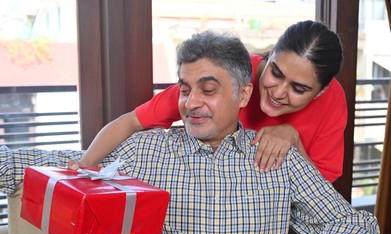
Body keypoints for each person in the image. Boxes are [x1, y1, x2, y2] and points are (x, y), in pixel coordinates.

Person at [0, 30, 382, 234]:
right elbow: (64, 162)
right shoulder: (147, 149)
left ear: (242, 94)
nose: (191, 102)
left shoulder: (280, 157)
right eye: (185, 89)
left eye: (208, 90)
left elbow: (347, 222)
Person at [69, 20, 347, 183]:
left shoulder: (332, 100)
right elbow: (131, 121)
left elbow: (321, 192)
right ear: (271, 54)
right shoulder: (226, 76)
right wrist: (85, 164)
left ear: (320, 92)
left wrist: (294, 141)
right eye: (275, 73)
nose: (278, 92)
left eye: (298, 88)